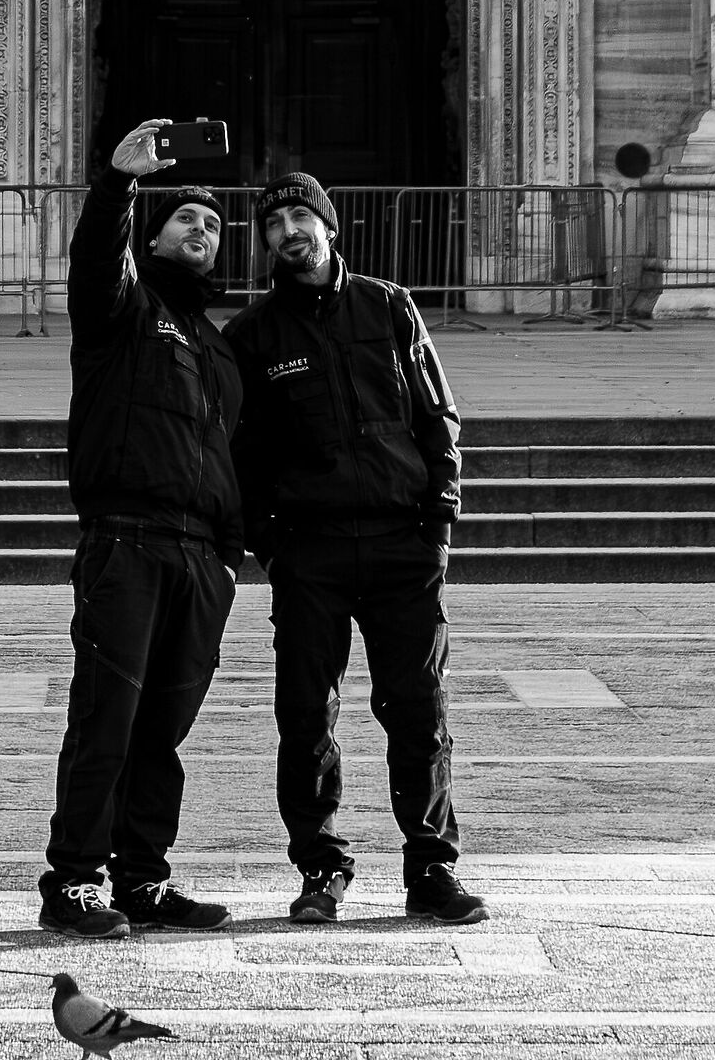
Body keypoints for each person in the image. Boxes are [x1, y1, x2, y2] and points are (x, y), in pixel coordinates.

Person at [227, 171, 485, 928]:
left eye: (301, 217)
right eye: (273, 227)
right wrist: (271, 545)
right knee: (306, 716)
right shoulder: (253, 336)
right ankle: (320, 867)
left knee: (418, 711)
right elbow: (242, 456)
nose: (287, 234)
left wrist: (441, 518)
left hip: (404, 543)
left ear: (330, 227)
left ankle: (431, 869)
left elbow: (438, 416)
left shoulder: (389, 305)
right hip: (312, 552)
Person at [40, 118, 242, 940]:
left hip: (201, 557)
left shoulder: (222, 349)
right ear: (154, 238)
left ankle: (143, 880)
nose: (202, 229)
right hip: (127, 538)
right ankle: (74, 882)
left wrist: (231, 554)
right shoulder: (122, 311)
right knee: (107, 722)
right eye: (187, 218)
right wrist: (118, 184)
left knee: (162, 732)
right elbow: (96, 263)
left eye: (215, 225)